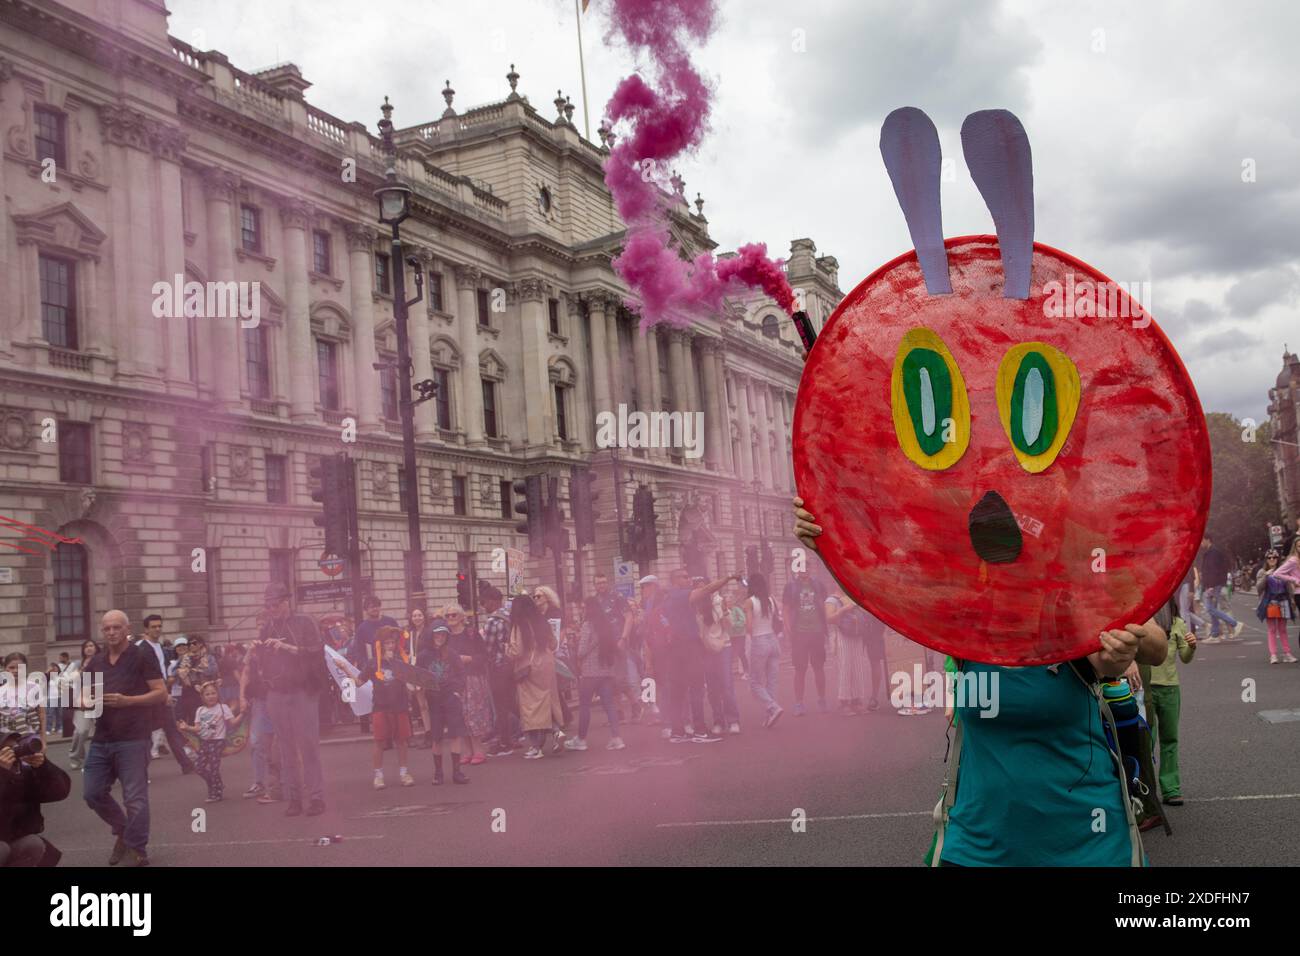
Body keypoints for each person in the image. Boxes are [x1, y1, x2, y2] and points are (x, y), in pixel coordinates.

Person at [793, 497, 1169, 866]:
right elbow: (882, 594)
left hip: (1084, 842)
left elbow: (1149, 647)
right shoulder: (965, 617)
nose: (1003, 568)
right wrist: (826, 545)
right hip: (980, 841)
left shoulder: (1068, 608)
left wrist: (1121, 650)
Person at [83, 609, 168, 867]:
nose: (111, 632)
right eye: (107, 628)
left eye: (116, 627)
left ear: (126, 628)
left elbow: (161, 692)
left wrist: (128, 701)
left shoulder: (141, 655)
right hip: (102, 737)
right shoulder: (96, 661)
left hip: (133, 736)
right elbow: (85, 697)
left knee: (135, 798)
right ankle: (123, 830)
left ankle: (137, 848)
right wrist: (85, 701)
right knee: (92, 792)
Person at [257, 582, 326, 817]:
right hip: (277, 692)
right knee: (285, 749)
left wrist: (287, 647)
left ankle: (316, 798)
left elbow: (317, 650)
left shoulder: (304, 622)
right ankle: (295, 798)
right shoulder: (266, 627)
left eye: (275, 604)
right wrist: (256, 650)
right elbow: (262, 663)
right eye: (268, 605)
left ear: (287, 602)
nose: (272, 609)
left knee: (308, 746)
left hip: (303, 691)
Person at [664, 568, 737, 743]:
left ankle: (678, 731)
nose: (689, 579)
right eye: (684, 576)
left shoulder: (668, 598)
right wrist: (728, 578)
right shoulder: (680, 595)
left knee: (678, 691)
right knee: (696, 688)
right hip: (688, 645)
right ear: (675, 581)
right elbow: (706, 590)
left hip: (675, 647)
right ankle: (700, 731)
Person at [1141, 599, 1196, 807]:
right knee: (1146, 740)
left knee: (1170, 739)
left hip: (1170, 688)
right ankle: (1146, 790)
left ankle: (1171, 788)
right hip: (1145, 688)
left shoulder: (1178, 624)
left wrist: (1192, 646)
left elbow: (1185, 657)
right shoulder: (1144, 624)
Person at [0, 730, 71, 867]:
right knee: (2, 849)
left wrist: (43, 767)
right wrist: (2, 774)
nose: (13, 754)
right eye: (6, 751)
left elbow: (60, 792)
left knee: (33, 844)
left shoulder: (22, 775)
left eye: (15, 749)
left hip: (11, 839)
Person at [506, 592, 564, 758]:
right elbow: (553, 643)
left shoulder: (519, 625)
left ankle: (535, 747)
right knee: (548, 700)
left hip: (529, 667)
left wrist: (506, 649)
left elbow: (516, 651)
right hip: (547, 661)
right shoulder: (542, 621)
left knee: (530, 708)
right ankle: (556, 731)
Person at [137, 614, 195, 774]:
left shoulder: (161, 648)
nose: (157, 629)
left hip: (162, 695)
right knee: (145, 735)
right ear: (146, 629)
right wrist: (163, 692)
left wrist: (168, 683)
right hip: (150, 697)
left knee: (171, 730)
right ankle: (135, 770)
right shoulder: (141, 648)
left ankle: (186, 764)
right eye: (153, 626)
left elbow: (162, 671)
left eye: (159, 626)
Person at [361, 625, 415, 789]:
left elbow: (411, 682)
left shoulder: (401, 661)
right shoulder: (372, 664)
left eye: (393, 642)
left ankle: (404, 773)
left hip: (399, 705)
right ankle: (378, 776)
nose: (390, 646)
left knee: (402, 741)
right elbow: (359, 681)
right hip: (380, 706)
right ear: (380, 644)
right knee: (379, 742)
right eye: (387, 643)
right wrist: (343, 669)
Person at [566, 609, 627, 752]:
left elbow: (581, 651)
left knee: (585, 705)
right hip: (606, 671)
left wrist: (579, 655)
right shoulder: (607, 625)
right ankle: (616, 738)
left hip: (590, 672)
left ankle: (581, 740)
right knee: (609, 705)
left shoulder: (588, 625)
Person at [417, 618, 469, 783]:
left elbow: (461, 674)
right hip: (434, 699)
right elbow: (418, 676)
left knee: (455, 735)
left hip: (450, 697)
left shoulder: (452, 654)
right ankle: (438, 774)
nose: (440, 637)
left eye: (443, 634)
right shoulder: (423, 656)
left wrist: (457, 692)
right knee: (436, 737)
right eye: (437, 634)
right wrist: (421, 691)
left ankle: (457, 772)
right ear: (432, 634)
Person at [239, 627, 281, 803]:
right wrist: (242, 697)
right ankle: (259, 782)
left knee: (279, 743)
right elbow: (245, 671)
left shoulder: (278, 649)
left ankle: (283, 782)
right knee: (257, 743)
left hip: (277, 699)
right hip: (259, 701)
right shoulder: (254, 653)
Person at [447, 605, 491, 764]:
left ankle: (479, 750)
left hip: (473, 678)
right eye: (447, 616)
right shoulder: (446, 637)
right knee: (460, 715)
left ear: (461, 617)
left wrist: (469, 659)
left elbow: (484, 655)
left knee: (474, 714)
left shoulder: (471, 633)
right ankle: (467, 751)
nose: (450, 618)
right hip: (455, 681)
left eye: (453, 615)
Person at [179, 682, 236, 803]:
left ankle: (216, 793)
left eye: (213, 693)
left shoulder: (223, 708)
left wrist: (243, 713)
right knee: (199, 767)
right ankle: (217, 784)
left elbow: (233, 722)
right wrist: (186, 727)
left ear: (218, 694)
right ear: (202, 697)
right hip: (204, 742)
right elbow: (197, 728)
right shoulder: (200, 710)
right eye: (207, 694)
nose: (211, 696)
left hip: (218, 742)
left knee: (214, 768)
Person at [782, 569, 830, 715]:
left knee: (819, 667)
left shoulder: (818, 584)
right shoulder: (790, 586)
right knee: (799, 669)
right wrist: (789, 630)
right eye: (801, 567)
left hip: (817, 632)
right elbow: (785, 609)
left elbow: (825, 603)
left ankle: (822, 699)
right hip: (799, 633)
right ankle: (799, 703)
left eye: (807, 566)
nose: (805, 570)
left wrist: (825, 627)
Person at [350, 595, 398, 735]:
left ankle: (399, 733)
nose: (375, 608)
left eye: (376, 605)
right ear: (366, 610)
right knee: (380, 702)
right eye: (371, 606)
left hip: (392, 666)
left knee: (396, 699)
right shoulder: (362, 628)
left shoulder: (390, 621)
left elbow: (400, 641)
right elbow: (359, 650)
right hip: (375, 669)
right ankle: (386, 735)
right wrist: (368, 667)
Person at [479, 587, 518, 756]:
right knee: (511, 703)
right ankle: (539, 727)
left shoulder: (492, 622)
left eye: (484, 602)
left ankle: (505, 742)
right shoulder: (510, 616)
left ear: (493, 601)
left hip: (498, 667)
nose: (483, 606)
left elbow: (486, 649)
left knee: (501, 706)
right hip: (512, 665)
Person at [743, 573, 784, 728]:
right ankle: (770, 713)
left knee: (754, 682)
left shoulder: (749, 602)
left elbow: (749, 626)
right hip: (773, 639)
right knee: (771, 680)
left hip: (759, 640)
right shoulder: (770, 599)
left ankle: (772, 707)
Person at [702, 588, 742, 735]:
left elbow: (728, 626)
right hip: (706, 649)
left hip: (723, 647)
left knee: (726, 685)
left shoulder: (720, 605)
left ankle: (733, 720)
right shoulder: (698, 608)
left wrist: (722, 609)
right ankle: (718, 720)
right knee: (712, 688)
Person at [1198, 535, 1244, 642]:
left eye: (1202, 541)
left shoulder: (1212, 553)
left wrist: (1210, 586)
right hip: (1213, 584)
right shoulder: (1212, 552)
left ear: (1207, 540)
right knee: (1212, 609)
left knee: (1210, 608)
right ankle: (1215, 635)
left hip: (1213, 585)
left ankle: (1234, 624)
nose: (1200, 544)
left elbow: (1213, 571)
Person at [1258, 545, 1299, 663]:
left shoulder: (1283, 569)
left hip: (1283, 600)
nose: (1272, 559)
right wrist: (1266, 576)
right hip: (1269, 601)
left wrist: (1292, 600)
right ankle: (1273, 655)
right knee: (1271, 629)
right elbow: (1258, 588)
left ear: (1278, 558)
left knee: (1283, 629)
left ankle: (1287, 653)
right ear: (1266, 559)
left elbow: (1289, 586)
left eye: (1274, 557)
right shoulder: (1262, 571)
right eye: (1269, 558)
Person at [63, 639, 99, 771]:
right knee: (81, 731)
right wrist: (80, 672)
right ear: (83, 649)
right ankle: (75, 757)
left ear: (96, 648)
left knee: (102, 732)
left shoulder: (103, 661)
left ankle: (98, 759)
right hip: (81, 702)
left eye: (92, 645)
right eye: (87, 646)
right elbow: (65, 679)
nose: (89, 648)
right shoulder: (77, 664)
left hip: (99, 700)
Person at [1, 653, 44, 746]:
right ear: (5, 669)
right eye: (11, 668)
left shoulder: (34, 687)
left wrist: (43, 741)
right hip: (7, 741)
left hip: (31, 739)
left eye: (20, 668)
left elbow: (42, 716)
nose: (15, 671)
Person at [405, 608, 433, 748]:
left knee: (429, 704)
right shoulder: (410, 634)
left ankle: (432, 733)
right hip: (415, 670)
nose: (417, 618)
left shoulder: (429, 632)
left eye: (419, 615)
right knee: (422, 705)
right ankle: (428, 733)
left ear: (424, 617)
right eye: (414, 615)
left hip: (426, 670)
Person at [725, 590, 748, 680]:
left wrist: (734, 625)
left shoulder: (737, 609)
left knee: (741, 653)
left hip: (740, 634)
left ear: (733, 601)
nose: (728, 603)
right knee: (730, 654)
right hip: (730, 635)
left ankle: (747, 671)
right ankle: (729, 673)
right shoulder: (726, 611)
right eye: (727, 602)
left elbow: (743, 621)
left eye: (730, 601)